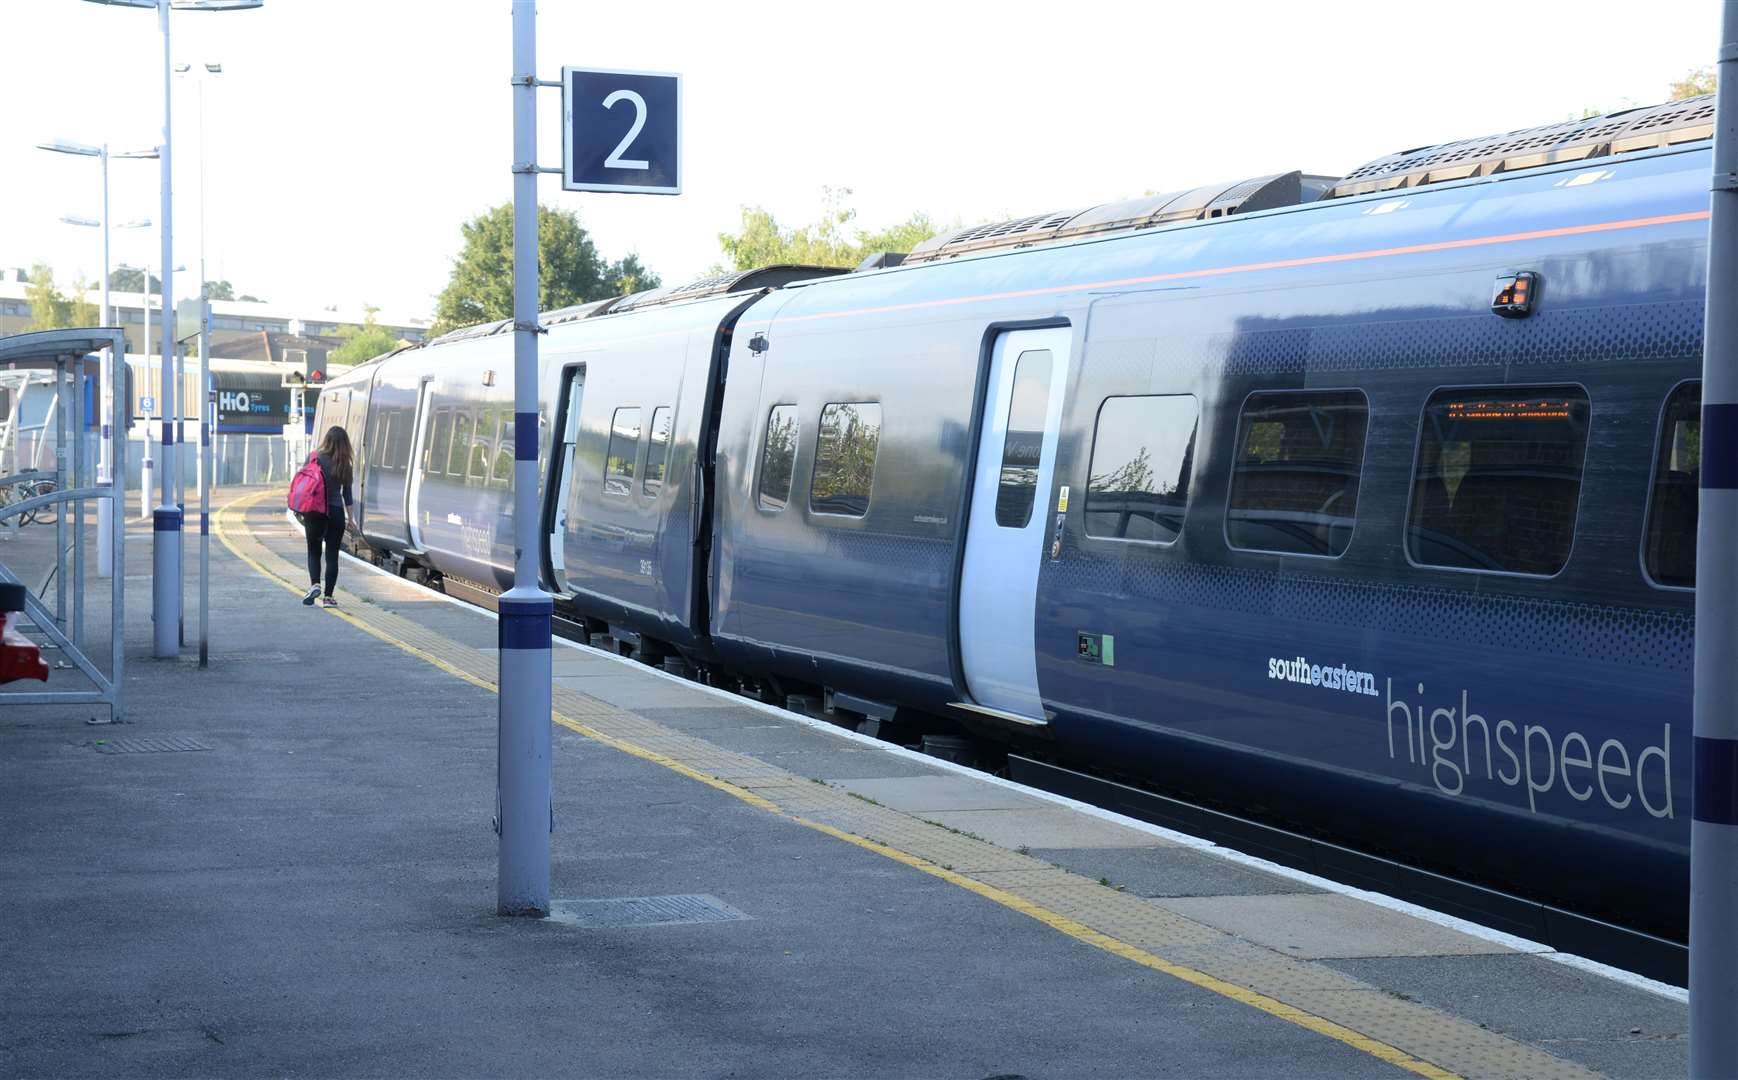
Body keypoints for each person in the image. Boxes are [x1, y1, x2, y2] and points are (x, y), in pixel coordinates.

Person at [302, 426, 354, 608]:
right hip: (336, 513)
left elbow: (303, 482)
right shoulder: (345, 465)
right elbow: (347, 495)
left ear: (327, 440)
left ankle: (314, 584)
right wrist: (352, 520)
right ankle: (328, 598)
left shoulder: (314, 457)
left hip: (314, 512)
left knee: (313, 551)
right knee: (332, 556)